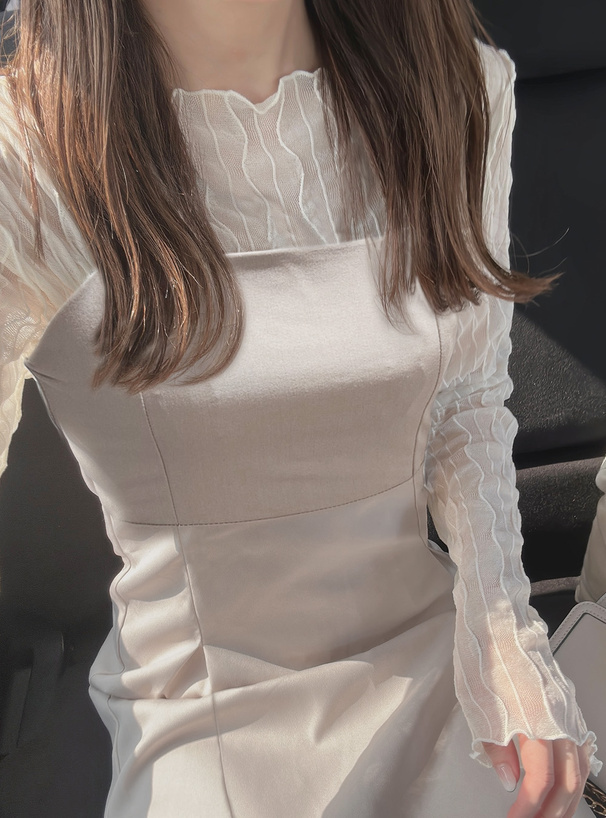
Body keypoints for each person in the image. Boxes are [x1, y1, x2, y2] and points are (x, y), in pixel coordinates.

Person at [0, 0, 601, 815]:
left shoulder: (457, 88)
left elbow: (466, 398)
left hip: (433, 658)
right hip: (207, 710)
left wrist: (504, 639)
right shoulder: (23, 158)